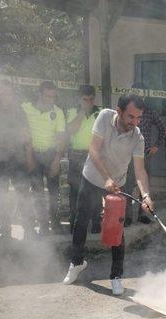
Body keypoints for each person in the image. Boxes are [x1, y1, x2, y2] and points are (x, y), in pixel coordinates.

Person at [63, 94, 153, 296]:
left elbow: (139, 171)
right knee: (80, 221)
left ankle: (116, 276)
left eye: (139, 118)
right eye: (131, 117)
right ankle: (76, 263)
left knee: (116, 231)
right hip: (92, 177)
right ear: (119, 111)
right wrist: (106, 178)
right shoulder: (104, 117)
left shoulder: (137, 137)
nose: (135, 122)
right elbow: (93, 150)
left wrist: (146, 195)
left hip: (116, 186)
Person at [0, 81, 34, 240]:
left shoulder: (19, 112)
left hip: (19, 160)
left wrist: (29, 157)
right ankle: (5, 230)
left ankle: (28, 230)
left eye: (8, 94)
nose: (5, 97)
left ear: (12, 95)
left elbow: (26, 135)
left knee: (24, 195)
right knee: (0, 196)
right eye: (2, 94)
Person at [22, 81, 66, 235]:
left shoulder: (58, 112)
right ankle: (43, 225)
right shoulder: (25, 108)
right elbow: (23, 132)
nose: (50, 100)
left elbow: (61, 138)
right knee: (37, 192)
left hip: (51, 155)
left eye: (53, 97)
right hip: (32, 154)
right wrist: (29, 157)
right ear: (39, 94)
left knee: (54, 192)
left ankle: (55, 223)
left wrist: (57, 160)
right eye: (47, 96)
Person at [124, 83, 166, 225]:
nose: (138, 97)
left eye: (140, 94)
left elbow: (163, 129)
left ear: (144, 96)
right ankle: (127, 217)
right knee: (128, 186)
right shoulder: (126, 112)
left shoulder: (150, 112)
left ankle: (143, 215)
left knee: (145, 187)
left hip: (145, 155)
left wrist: (156, 146)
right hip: (128, 155)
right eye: (135, 94)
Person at [66, 85, 102, 233]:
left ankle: (95, 222)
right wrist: (82, 112)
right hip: (76, 156)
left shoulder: (100, 112)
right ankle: (74, 222)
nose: (89, 102)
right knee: (75, 190)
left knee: (95, 190)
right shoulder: (71, 112)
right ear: (79, 99)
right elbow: (71, 130)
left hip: (94, 156)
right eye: (85, 99)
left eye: (91, 99)